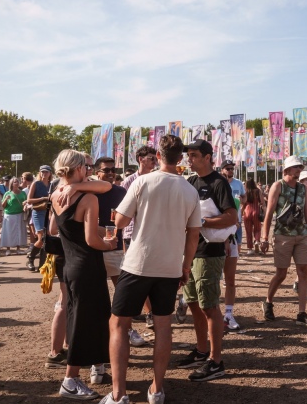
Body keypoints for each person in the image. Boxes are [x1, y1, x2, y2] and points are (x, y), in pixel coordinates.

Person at [104, 135, 201, 404]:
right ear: (180, 158)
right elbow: (193, 235)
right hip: (170, 266)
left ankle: (118, 393)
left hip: (138, 264)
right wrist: (185, 266)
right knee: (163, 325)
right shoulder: (190, 190)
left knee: (119, 324)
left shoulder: (141, 182)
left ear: (158, 156)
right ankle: (157, 389)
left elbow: (121, 221)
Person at [48, 150, 116, 401]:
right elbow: (92, 240)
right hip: (87, 264)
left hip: (70, 265)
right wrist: (110, 244)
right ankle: (70, 378)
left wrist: (74, 185)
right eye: (85, 168)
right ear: (76, 168)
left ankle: (91, 369)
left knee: (86, 318)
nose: (88, 171)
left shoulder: (55, 194)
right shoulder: (88, 198)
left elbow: (58, 228)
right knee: (83, 322)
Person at [177, 139, 236, 382]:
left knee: (209, 306)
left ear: (208, 157)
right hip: (191, 252)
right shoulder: (191, 181)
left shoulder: (218, 182)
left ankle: (216, 361)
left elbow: (231, 218)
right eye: (188, 155)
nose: (189, 159)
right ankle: (202, 350)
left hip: (209, 252)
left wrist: (203, 222)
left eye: (193, 155)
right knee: (192, 302)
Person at [260, 155, 307, 327]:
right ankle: (268, 301)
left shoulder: (303, 188)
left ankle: (301, 313)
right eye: (296, 167)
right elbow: (269, 212)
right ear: (286, 170)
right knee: (281, 273)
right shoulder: (278, 186)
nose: (299, 170)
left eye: (300, 167)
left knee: (303, 271)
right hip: (283, 235)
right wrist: (264, 237)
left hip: (301, 235)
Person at [119, 145, 159, 338]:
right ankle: (146, 311)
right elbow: (121, 209)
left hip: (152, 232)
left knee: (152, 271)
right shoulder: (129, 182)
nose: (154, 161)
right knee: (136, 272)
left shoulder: (157, 179)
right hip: (132, 233)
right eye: (151, 158)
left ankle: (150, 311)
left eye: (155, 158)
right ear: (140, 159)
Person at [220, 160, 244, 332]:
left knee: (230, 279)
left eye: (231, 169)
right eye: (227, 169)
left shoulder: (236, 187)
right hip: (211, 240)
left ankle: (228, 314)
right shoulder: (214, 189)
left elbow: (235, 216)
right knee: (209, 280)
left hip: (232, 236)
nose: (230, 171)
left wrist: (233, 229)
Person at [26, 165, 53, 272]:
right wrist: (42, 198)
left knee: (47, 239)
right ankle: (31, 258)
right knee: (41, 238)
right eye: (42, 172)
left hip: (49, 213)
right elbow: (29, 200)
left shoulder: (52, 185)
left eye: (46, 172)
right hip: (38, 212)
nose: (44, 174)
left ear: (50, 173)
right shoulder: (36, 184)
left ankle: (42, 264)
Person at [0, 177, 27, 255]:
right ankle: (8, 249)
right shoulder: (7, 193)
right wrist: (5, 199)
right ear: (11, 184)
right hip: (9, 215)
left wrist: (25, 204)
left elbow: (26, 201)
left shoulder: (23, 193)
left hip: (20, 214)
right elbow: (3, 205)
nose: (17, 183)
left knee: (19, 231)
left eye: (17, 182)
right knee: (9, 232)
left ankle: (18, 248)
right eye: (15, 182)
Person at [242, 178, 263, 254]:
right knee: (258, 228)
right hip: (256, 211)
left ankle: (250, 249)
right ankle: (257, 241)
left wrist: (241, 212)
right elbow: (262, 202)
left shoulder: (245, 192)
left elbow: (243, 203)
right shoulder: (258, 191)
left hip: (247, 212)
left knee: (248, 231)